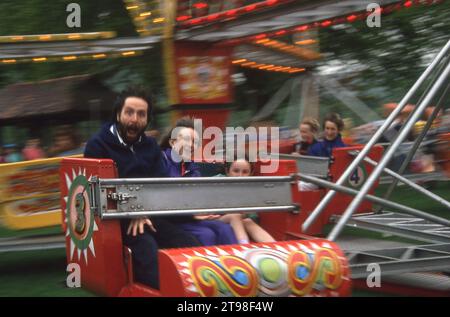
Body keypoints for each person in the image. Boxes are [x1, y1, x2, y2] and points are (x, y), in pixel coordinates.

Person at [84, 87, 200, 289]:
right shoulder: (97, 145)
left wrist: (143, 210)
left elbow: (161, 185)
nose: (134, 119)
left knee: (189, 243)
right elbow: (98, 191)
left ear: (147, 120)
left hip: (150, 214)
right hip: (115, 221)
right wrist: (134, 210)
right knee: (146, 248)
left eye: (141, 114)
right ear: (118, 114)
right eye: (129, 112)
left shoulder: (150, 146)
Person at [160, 116, 238, 246]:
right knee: (207, 235)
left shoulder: (192, 168)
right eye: (186, 139)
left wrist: (208, 211)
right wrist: (191, 215)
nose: (191, 145)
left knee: (225, 229)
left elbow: (198, 197)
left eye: (195, 142)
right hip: (171, 220)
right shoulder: (161, 162)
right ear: (172, 142)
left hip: (189, 218)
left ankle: (235, 264)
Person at [220, 158, 275, 244]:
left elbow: (253, 217)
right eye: (236, 171)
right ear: (227, 171)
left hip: (239, 220)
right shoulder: (216, 181)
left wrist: (246, 213)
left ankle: (273, 245)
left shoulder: (250, 189)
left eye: (245, 172)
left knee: (247, 221)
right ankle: (244, 245)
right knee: (235, 216)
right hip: (215, 219)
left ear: (250, 174)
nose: (240, 175)